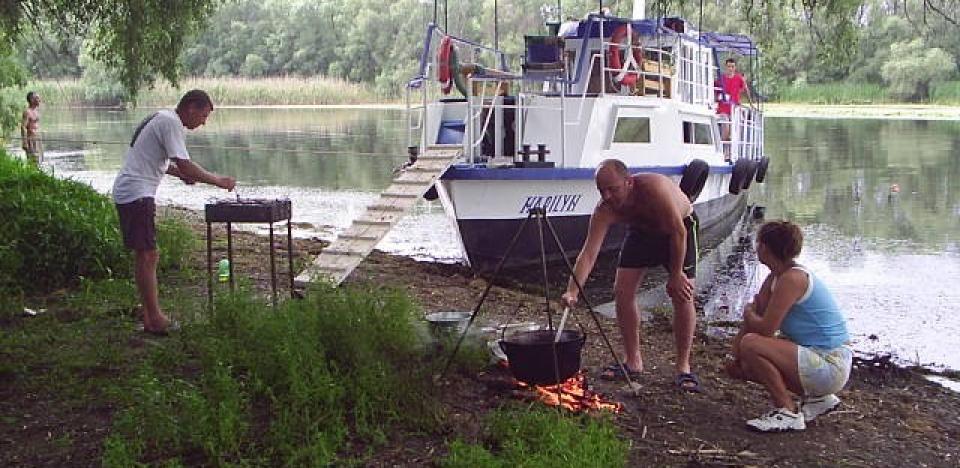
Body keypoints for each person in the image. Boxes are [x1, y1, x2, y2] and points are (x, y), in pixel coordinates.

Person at [561, 159, 701, 392]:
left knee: (683, 294)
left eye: (612, 189)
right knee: (622, 291)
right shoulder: (604, 210)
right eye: (601, 190)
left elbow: (678, 232)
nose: (607, 196)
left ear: (629, 182)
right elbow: (588, 253)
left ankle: (683, 368)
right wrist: (572, 290)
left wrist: (676, 275)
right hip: (642, 232)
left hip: (679, 231)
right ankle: (633, 361)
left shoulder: (654, 190)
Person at [112, 89, 236, 334]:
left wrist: (181, 175)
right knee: (148, 255)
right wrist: (219, 181)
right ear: (190, 108)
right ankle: (155, 318)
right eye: (203, 115)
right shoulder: (171, 123)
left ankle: (150, 315)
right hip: (136, 193)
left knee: (146, 255)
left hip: (131, 191)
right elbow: (186, 164)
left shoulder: (163, 118)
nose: (203, 123)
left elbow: (157, 160)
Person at [725, 221, 852, 432]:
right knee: (744, 364)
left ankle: (787, 411)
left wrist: (748, 314)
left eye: (758, 243)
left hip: (831, 363)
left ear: (764, 247)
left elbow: (764, 329)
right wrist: (735, 356)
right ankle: (817, 400)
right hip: (817, 358)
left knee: (752, 345)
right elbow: (754, 326)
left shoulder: (793, 278)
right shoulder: (775, 278)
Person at [716, 58, 751, 157]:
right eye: (729, 66)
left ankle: (731, 153)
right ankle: (723, 153)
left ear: (735, 68)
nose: (730, 69)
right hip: (723, 109)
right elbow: (715, 90)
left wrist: (751, 104)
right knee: (725, 130)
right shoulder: (721, 78)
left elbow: (745, 90)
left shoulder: (738, 78)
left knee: (734, 133)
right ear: (725, 67)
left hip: (734, 109)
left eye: (732, 67)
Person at [21, 91, 42, 166]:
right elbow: (23, 127)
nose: (39, 100)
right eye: (37, 98)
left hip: (37, 139)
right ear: (32, 99)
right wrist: (24, 142)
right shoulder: (27, 112)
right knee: (32, 161)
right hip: (30, 140)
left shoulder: (36, 111)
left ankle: (36, 176)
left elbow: (36, 125)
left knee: (38, 161)